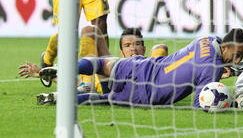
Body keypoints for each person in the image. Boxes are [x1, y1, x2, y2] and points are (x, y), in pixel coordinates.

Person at [38, 28, 243, 108]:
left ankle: (65, 70)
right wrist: (228, 101)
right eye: (237, 54)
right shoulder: (212, 67)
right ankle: (60, 99)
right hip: (149, 93)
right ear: (224, 47)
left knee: (103, 64)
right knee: (105, 99)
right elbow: (200, 103)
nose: (237, 59)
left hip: (144, 65)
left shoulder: (207, 38)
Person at [18, 26, 169, 100]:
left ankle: (78, 86)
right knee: (88, 30)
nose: (133, 49)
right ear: (122, 53)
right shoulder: (110, 66)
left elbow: (161, 48)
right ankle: (48, 62)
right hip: (111, 86)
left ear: (143, 48)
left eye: (136, 44)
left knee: (160, 47)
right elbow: (75, 81)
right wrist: (41, 74)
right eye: (127, 46)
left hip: (145, 77)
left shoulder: (149, 63)